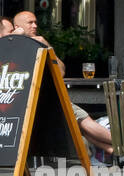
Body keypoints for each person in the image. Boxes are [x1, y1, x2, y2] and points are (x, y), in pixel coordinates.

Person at [9, 11, 115, 158]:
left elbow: (61, 71)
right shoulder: (9, 44)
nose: (35, 25)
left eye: (35, 22)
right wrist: (15, 37)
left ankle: (115, 150)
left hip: (48, 99)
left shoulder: (39, 44)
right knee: (83, 120)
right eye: (30, 23)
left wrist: (47, 47)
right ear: (17, 26)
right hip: (31, 102)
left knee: (79, 123)